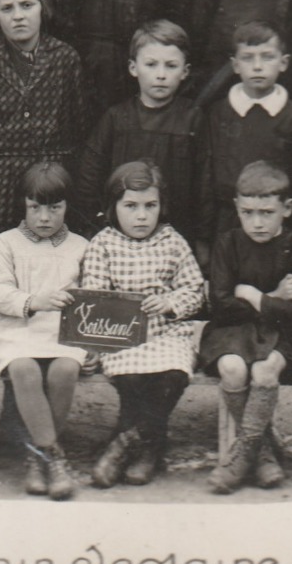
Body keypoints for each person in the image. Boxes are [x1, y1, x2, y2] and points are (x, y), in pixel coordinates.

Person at [0, 0, 87, 326]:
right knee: (1, 257)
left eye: (26, 5)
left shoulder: (65, 58)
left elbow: (78, 129)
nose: (18, 16)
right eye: (7, 8)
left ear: (43, 7)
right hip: (1, 180)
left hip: (53, 175)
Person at [81, 160, 205, 488]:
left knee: (172, 375)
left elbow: (194, 289)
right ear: (113, 206)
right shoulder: (103, 244)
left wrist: (170, 303)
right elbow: (93, 297)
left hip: (166, 332)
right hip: (122, 334)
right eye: (131, 206)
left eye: (150, 206)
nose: (141, 216)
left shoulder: (172, 242)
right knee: (132, 377)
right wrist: (93, 344)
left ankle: (126, 443)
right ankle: (151, 443)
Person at [199, 161, 292, 494]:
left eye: (266, 212)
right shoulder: (227, 244)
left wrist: (252, 296)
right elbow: (219, 303)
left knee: (265, 371)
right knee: (232, 368)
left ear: (286, 209)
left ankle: (243, 453)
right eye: (248, 212)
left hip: (282, 334)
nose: (257, 222)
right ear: (236, 208)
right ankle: (261, 452)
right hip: (230, 330)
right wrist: (274, 297)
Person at [0, 162, 90, 500]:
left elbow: (92, 299)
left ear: (67, 206)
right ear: (23, 205)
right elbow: (0, 295)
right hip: (18, 329)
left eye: (54, 208)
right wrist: (36, 300)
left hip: (64, 334)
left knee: (65, 369)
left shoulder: (81, 246)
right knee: (24, 368)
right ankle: (51, 455)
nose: (44, 217)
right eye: (35, 207)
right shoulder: (6, 243)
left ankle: (36, 455)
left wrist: (93, 345)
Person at [74, 19, 214, 265]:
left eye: (171, 66)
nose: (161, 75)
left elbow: (204, 181)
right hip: (120, 237)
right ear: (133, 67)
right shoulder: (117, 118)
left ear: (185, 71)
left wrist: (202, 237)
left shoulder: (192, 118)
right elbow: (90, 173)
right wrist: (98, 222)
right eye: (151, 64)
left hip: (175, 237)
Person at [205, 21, 292, 241]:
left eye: (267, 57)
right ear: (235, 65)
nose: (257, 66)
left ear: (283, 63)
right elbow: (206, 178)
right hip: (228, 227)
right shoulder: (218, 113)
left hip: (281, 227)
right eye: (248, 58)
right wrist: (204, 238)